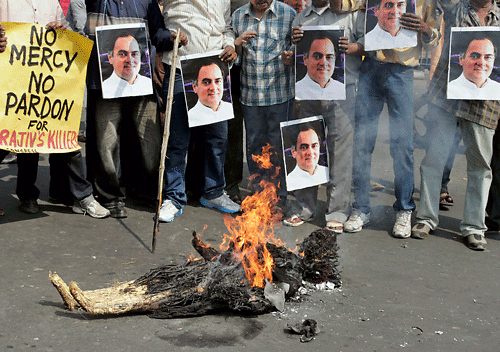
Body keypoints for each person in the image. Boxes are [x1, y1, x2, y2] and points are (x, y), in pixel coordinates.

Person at [0, 0, 110, 219]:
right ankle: (28, 195)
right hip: (11, 84)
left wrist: (63, 30)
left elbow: (66, 31)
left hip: (48, 86)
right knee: (11, 139)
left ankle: (83, 196)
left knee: (64, 138)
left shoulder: (51, 2)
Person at [411, 0, 500, 251]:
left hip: (486, 103)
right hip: (447, 97)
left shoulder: (499, 16)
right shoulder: (455, 9)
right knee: (434, 159)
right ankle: (426, 218)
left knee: (481, 165)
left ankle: (474, 227)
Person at [344, 0, 438, 237]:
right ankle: (361, 207)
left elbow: (435, 37)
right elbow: (343, 4)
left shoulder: (423, 2)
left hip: (401, 72)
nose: (393, 10)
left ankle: (404, 209)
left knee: (403, 145)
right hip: (371, 70)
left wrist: (425, 29)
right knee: (363, 142)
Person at [282, 0, 364, 231]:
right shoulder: (301, 19)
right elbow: (294, 54)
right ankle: (305, 207)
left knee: (340, 152)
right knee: (307, 147)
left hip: (342, 92)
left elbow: (368, 42)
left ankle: (337, 211)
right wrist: (290, 54)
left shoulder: (349, 14)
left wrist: (354, 47)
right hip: (307, 94)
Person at [85, 0, 171, 218]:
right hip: (105, 83)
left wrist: (170, 39)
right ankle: (110, 197)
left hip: (141, 84)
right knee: (106, 143)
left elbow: (157, 32)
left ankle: (146, 190)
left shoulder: (146, 2)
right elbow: (80, 26)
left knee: (150, 139)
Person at [158, 0, 241, 223]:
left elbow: (227, 27)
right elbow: (158, 16)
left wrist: (230, 45)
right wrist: (170, 37)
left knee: (218, 137)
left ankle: (213, 192)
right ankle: (173, 197)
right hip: (179, 65)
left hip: (215, 67)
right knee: (177, 139)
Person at [232, 0, 296, 211]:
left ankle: (279, 197)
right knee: (254, 147)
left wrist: (291, 56)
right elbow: (234, 58)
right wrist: (237, 44)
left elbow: (298, 48)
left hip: (280, 94)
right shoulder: (239, 16)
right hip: (250, 95)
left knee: (278, 148)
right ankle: (259, 195)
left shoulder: (288, 15)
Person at [101, 32, 153, 98]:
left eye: (134, 54)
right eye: (122, 54)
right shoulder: (105, 88)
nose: (130, 60)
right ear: (110, 58)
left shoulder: (148, 84)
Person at [448, 36, 500, 100]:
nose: (481, 63)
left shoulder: (498, 90)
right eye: (474, 56)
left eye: (488, 57)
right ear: (461, 59)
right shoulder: (449, 91)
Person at [295, 35, 346, 100]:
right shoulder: (296, 91)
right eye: (317, 56)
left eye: (329, 57)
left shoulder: (341, 90)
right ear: (305, 59)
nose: (323, 63)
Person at [187, 61, 234, 127]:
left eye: (217, 81)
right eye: (206, 82)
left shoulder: (230, 109)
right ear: (195, 87)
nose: (213, 88)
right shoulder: (190, 117)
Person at [286, 125, 329, 191]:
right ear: (293, 152)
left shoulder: (326, 173)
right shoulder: (290, 181)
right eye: (304, 147)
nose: (310, 152)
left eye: (314, 146)